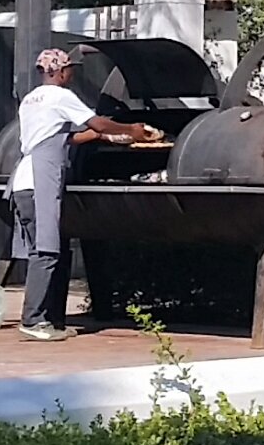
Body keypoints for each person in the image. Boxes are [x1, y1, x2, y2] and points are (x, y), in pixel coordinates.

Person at [9, 47, 160, 341]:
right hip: (40, 181)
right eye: (69, 69)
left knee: (46, 251)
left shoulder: (31, 99)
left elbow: (61, 137)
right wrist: (131, 129)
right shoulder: (60, 96)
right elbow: (97, 121)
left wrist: (102, 137)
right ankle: (33, 320)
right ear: (59, 71)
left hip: (23, 181)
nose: (72, 74)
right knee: (46, 252)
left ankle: (49, 320)